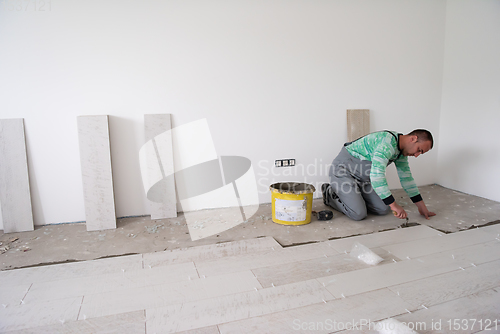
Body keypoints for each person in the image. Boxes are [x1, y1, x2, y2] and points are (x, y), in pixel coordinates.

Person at [322, 129, 436, 221]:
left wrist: (422, 207)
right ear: (413, 139)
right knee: (358, 213)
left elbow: (406, 179)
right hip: (343, 173)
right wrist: (394, 205)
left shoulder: (401, 152)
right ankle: (329, 193)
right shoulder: (386, 144)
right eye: (419, 150)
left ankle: (355, 196)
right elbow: (377, 177)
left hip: (363, 179)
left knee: (382, 209)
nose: (416, 155)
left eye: (420, 153)